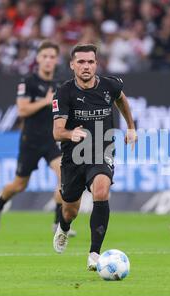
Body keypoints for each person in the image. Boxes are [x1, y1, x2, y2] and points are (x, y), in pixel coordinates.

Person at [52, 43, 137, 270]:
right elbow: (57, 132)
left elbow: (122, 99)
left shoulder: (110, 85)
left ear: (96, 64)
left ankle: (94, 254)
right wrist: (71, 133)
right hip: (74, 155)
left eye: (90, 62)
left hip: (102, 150)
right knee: (71, 209)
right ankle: (64, 227)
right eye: (81, 62)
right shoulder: (64, 92)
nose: (86, 66)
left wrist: (130, 126)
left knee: (101, 190)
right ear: (72, 65)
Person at [0, 40, 76, 237]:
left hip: (51, 141)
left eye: (52, 57)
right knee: (19, 185)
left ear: (56, 60)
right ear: (37, 59)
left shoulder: (60, 85)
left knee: (65, 177)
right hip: (30, 141)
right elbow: (22, 109)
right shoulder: (27, 82)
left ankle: (57, 224)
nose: (48, 60)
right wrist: (45, 101)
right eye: (44, 56)